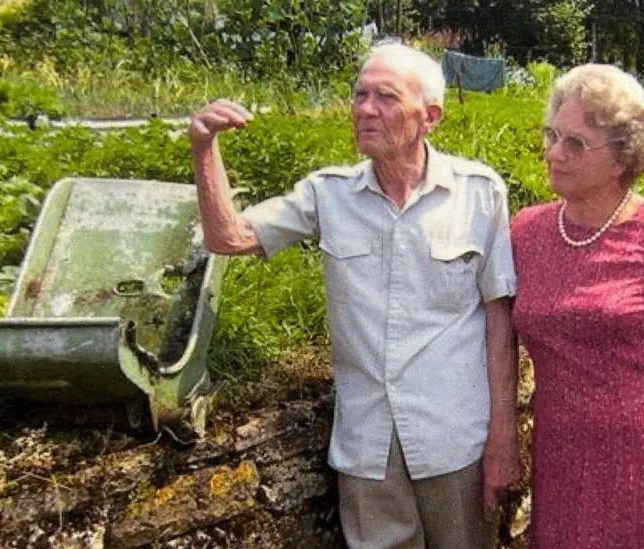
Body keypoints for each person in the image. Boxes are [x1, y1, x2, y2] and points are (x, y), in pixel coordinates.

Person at [188, 43, 521, 548]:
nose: (365, 108)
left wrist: (504, 437)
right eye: (360, 94)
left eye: (385, 97)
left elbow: (500, 325)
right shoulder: (328, 194)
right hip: (368, 445)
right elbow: (228, 238)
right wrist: (203, 149)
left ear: (429, 116)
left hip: (456, 439)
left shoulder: (479, 193)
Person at [510, 64, 644, 548]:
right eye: (552, 135)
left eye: (575, 144)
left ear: (622, 158)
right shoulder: (527, 230)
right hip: (560, 458)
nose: (553, 153)